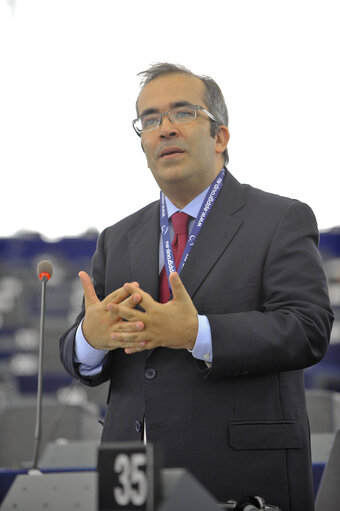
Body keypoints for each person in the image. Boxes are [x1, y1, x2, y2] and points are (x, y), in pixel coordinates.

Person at [59, 62, 333, 510]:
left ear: (220, 136)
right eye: (150, 120)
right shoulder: (117, 237)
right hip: (132, 483)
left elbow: (307, 329)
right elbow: (80, 352)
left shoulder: (280, 219)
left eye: (182, 113)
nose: (164, 129)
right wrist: (91, 339)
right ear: (143, 144)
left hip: (240, 479)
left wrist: (197, 334)